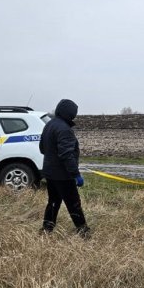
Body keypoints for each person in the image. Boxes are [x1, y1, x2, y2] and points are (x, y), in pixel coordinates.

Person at [39, 99, 90, 237]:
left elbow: (42, 148)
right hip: (63, 175)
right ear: (70, 114)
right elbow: (67, 155)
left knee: (53, 202)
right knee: (74, 204)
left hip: (50, 173)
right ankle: (83, 232)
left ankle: (46, 229)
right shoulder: (65, 130)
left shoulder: (49, 125)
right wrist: (76, 174)